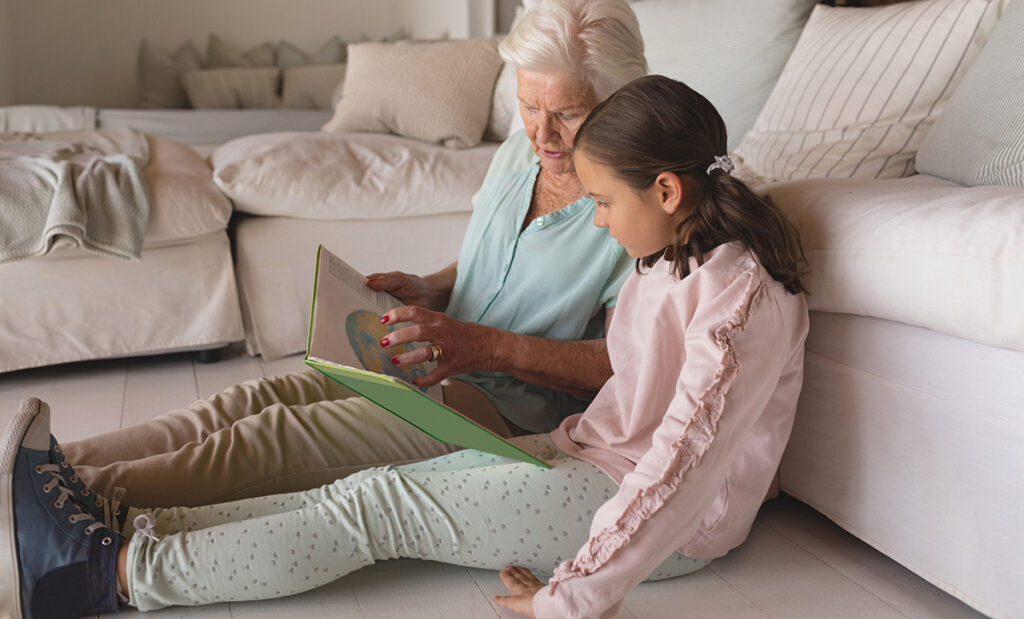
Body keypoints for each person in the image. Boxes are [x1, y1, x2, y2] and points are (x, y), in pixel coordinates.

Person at [3, 75, 810, 618]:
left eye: (602, 201)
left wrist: (573, 597)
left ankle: (115, 577)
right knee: (368, 484)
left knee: (376, 508)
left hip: (665, 512)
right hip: (589, 458)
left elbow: (681, 467)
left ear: (665, 190)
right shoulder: (675, 247)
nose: (595, 218)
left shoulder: (741, 302)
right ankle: (109, 534)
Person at [52, 0, 649, 511]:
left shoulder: (641, 211)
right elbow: (500, 259)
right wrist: (434, 287)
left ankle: (57, 503)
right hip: (430, 362)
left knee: (271, 440)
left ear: (619, 99)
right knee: (258, 398)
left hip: (503, 413)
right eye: (528, 106)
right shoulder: (520, 153)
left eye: (567, 114)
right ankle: (40, 466)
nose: (542, 133)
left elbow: (624, 367)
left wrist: (486, 347)